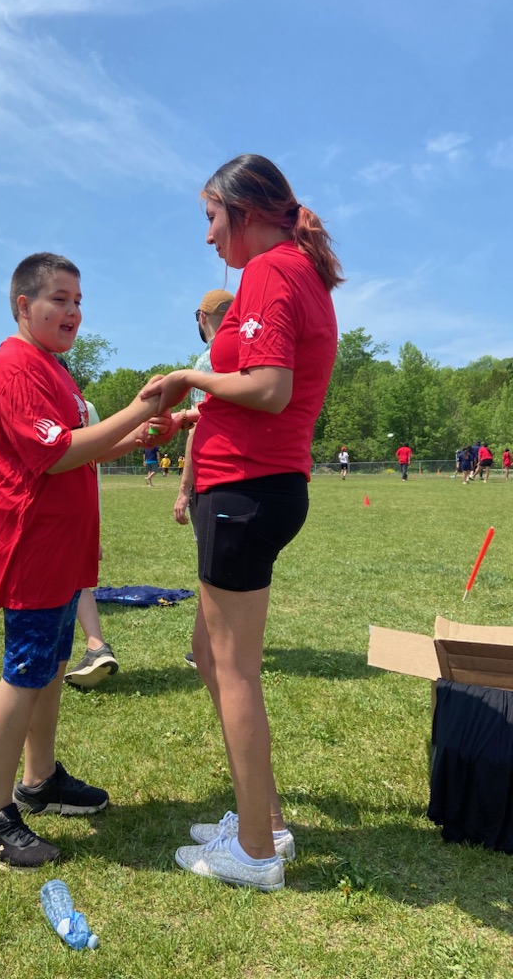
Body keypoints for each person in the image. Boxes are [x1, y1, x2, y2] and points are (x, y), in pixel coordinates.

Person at [141, 154, 342, 891]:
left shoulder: (270, 270)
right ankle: (268, 822)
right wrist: (206, 408)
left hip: (246, 492)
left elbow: (269, 385)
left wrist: (192, 377)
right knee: (216, 657)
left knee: (232, 672)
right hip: (255, 482)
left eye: (210, 218)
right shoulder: (296, 269)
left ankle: (254, 851)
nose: (207, 237)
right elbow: (265, 391)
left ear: (246, 211)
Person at [0, 252, 161, 870]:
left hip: (62, 546)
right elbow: (56, 453)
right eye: (59, 300)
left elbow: (79, 449)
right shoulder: (16, 366)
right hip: (33, 545)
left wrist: (142, 433)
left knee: (51, 664)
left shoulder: (53, 368)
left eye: (78, 301)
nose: (73, 311)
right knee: (24, 669)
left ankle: (39, 780)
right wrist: (141, 407)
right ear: (24, 305)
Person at [174, 288, 235, 669]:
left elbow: (201, 427)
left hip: (215, 475)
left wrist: (183, 489)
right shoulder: (250, 348)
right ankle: (213, 645)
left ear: (202, 317)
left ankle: (210, 649)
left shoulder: (206, 359)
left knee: (211, 568)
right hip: (252, 472)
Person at [64, 398, 119, 690]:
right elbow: (95, 463)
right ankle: (96, 645)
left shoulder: (38, 396)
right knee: (75, 581)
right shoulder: (85, 405)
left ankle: (94, 646)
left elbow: (90, 459)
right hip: (81, 509)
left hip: (50, 513)